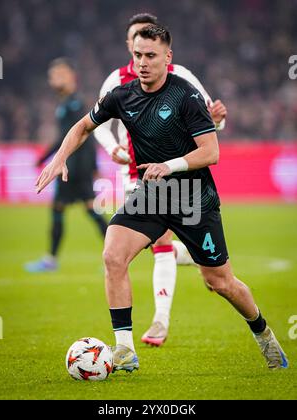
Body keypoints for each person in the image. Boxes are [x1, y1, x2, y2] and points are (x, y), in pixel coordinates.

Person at [35, 25, 288, 373]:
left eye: (150, 56)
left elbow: (210, 152)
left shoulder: (186, 96)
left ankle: (264, 334)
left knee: (220, 282)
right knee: (113, 254)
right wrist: (59, 157)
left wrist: (168, 166)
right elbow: (83, 126)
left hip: (193, 198)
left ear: (167, 57)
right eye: (137, 55)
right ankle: (124, 349)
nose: (142, 62)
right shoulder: (121, 95)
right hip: (151, 195)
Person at [94, 13, 228, 346]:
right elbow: (94, 123)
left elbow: (212, 123)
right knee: (153, 246)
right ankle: (187, 255)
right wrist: (112, 148)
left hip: (179, 178)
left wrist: (219, 123)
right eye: (135, 43)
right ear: (129, 44)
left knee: (163, 244)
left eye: (147, 43)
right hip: (134, 173)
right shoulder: (116, 81)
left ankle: (160, 321)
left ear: (162, 48)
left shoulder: (180, 77)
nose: (141, 54)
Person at [25, 58, 108, 273]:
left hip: (72, 168)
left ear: (71, 77)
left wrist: (47, 158)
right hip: (74, 166)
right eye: (52, 76)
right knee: (89, 210)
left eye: (59, 75)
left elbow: (82, 136)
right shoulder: (66, 103)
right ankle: (115, 253)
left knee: (63, 209)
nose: (54, 79)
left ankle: (51, 259)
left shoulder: (75, 104)